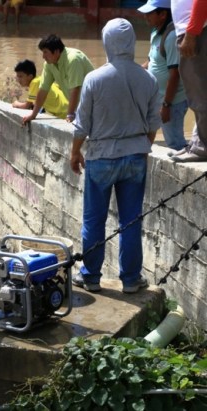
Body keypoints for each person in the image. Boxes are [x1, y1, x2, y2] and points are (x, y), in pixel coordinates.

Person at [69, 18, 161, 294]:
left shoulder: (94, 79)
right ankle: (131, 279)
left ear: (107, 42)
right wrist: (142, 148)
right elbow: (153, 123)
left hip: (101, 157)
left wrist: (75, 152)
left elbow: (82, 124)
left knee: (94, 220)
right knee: (131, 220)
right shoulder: (149, 79)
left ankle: (91, 276)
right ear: (132, 43)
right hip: (135, 156)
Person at [138, 0, 188, 151]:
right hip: (158, 97)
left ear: (163, 14)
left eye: (149, 14)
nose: (145, 17)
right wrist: (134, 71)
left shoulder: (172, 36)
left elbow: (175, 75)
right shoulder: (155, 32)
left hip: (172, 101)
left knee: (174, 143)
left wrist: (166, 105)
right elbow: (151, 60)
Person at [22, 34, 94, 125]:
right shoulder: (49, 64)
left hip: (96, 105)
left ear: (56, 51)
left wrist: (70, 114)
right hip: (81, 108)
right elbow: (43, 89)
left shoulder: (73, 59)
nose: (43, 56)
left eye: (45, 52)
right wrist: (33, 114)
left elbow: (75, 89)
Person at [169, 0, 207, 162]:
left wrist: (191, 33)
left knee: (199, 95)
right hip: (194, 30)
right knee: (196, 93)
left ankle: (202, 149)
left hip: (196, 32)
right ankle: (197, 143)